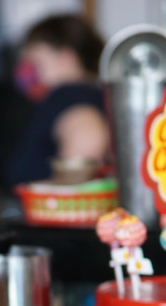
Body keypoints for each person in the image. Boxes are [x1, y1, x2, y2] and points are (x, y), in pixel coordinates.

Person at [8, 14, 110, 186]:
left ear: (67, 59)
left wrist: (59, 196)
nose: (27, 72)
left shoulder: (68, 93)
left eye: (35, 63)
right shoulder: (95, 93)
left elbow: (89, 139)